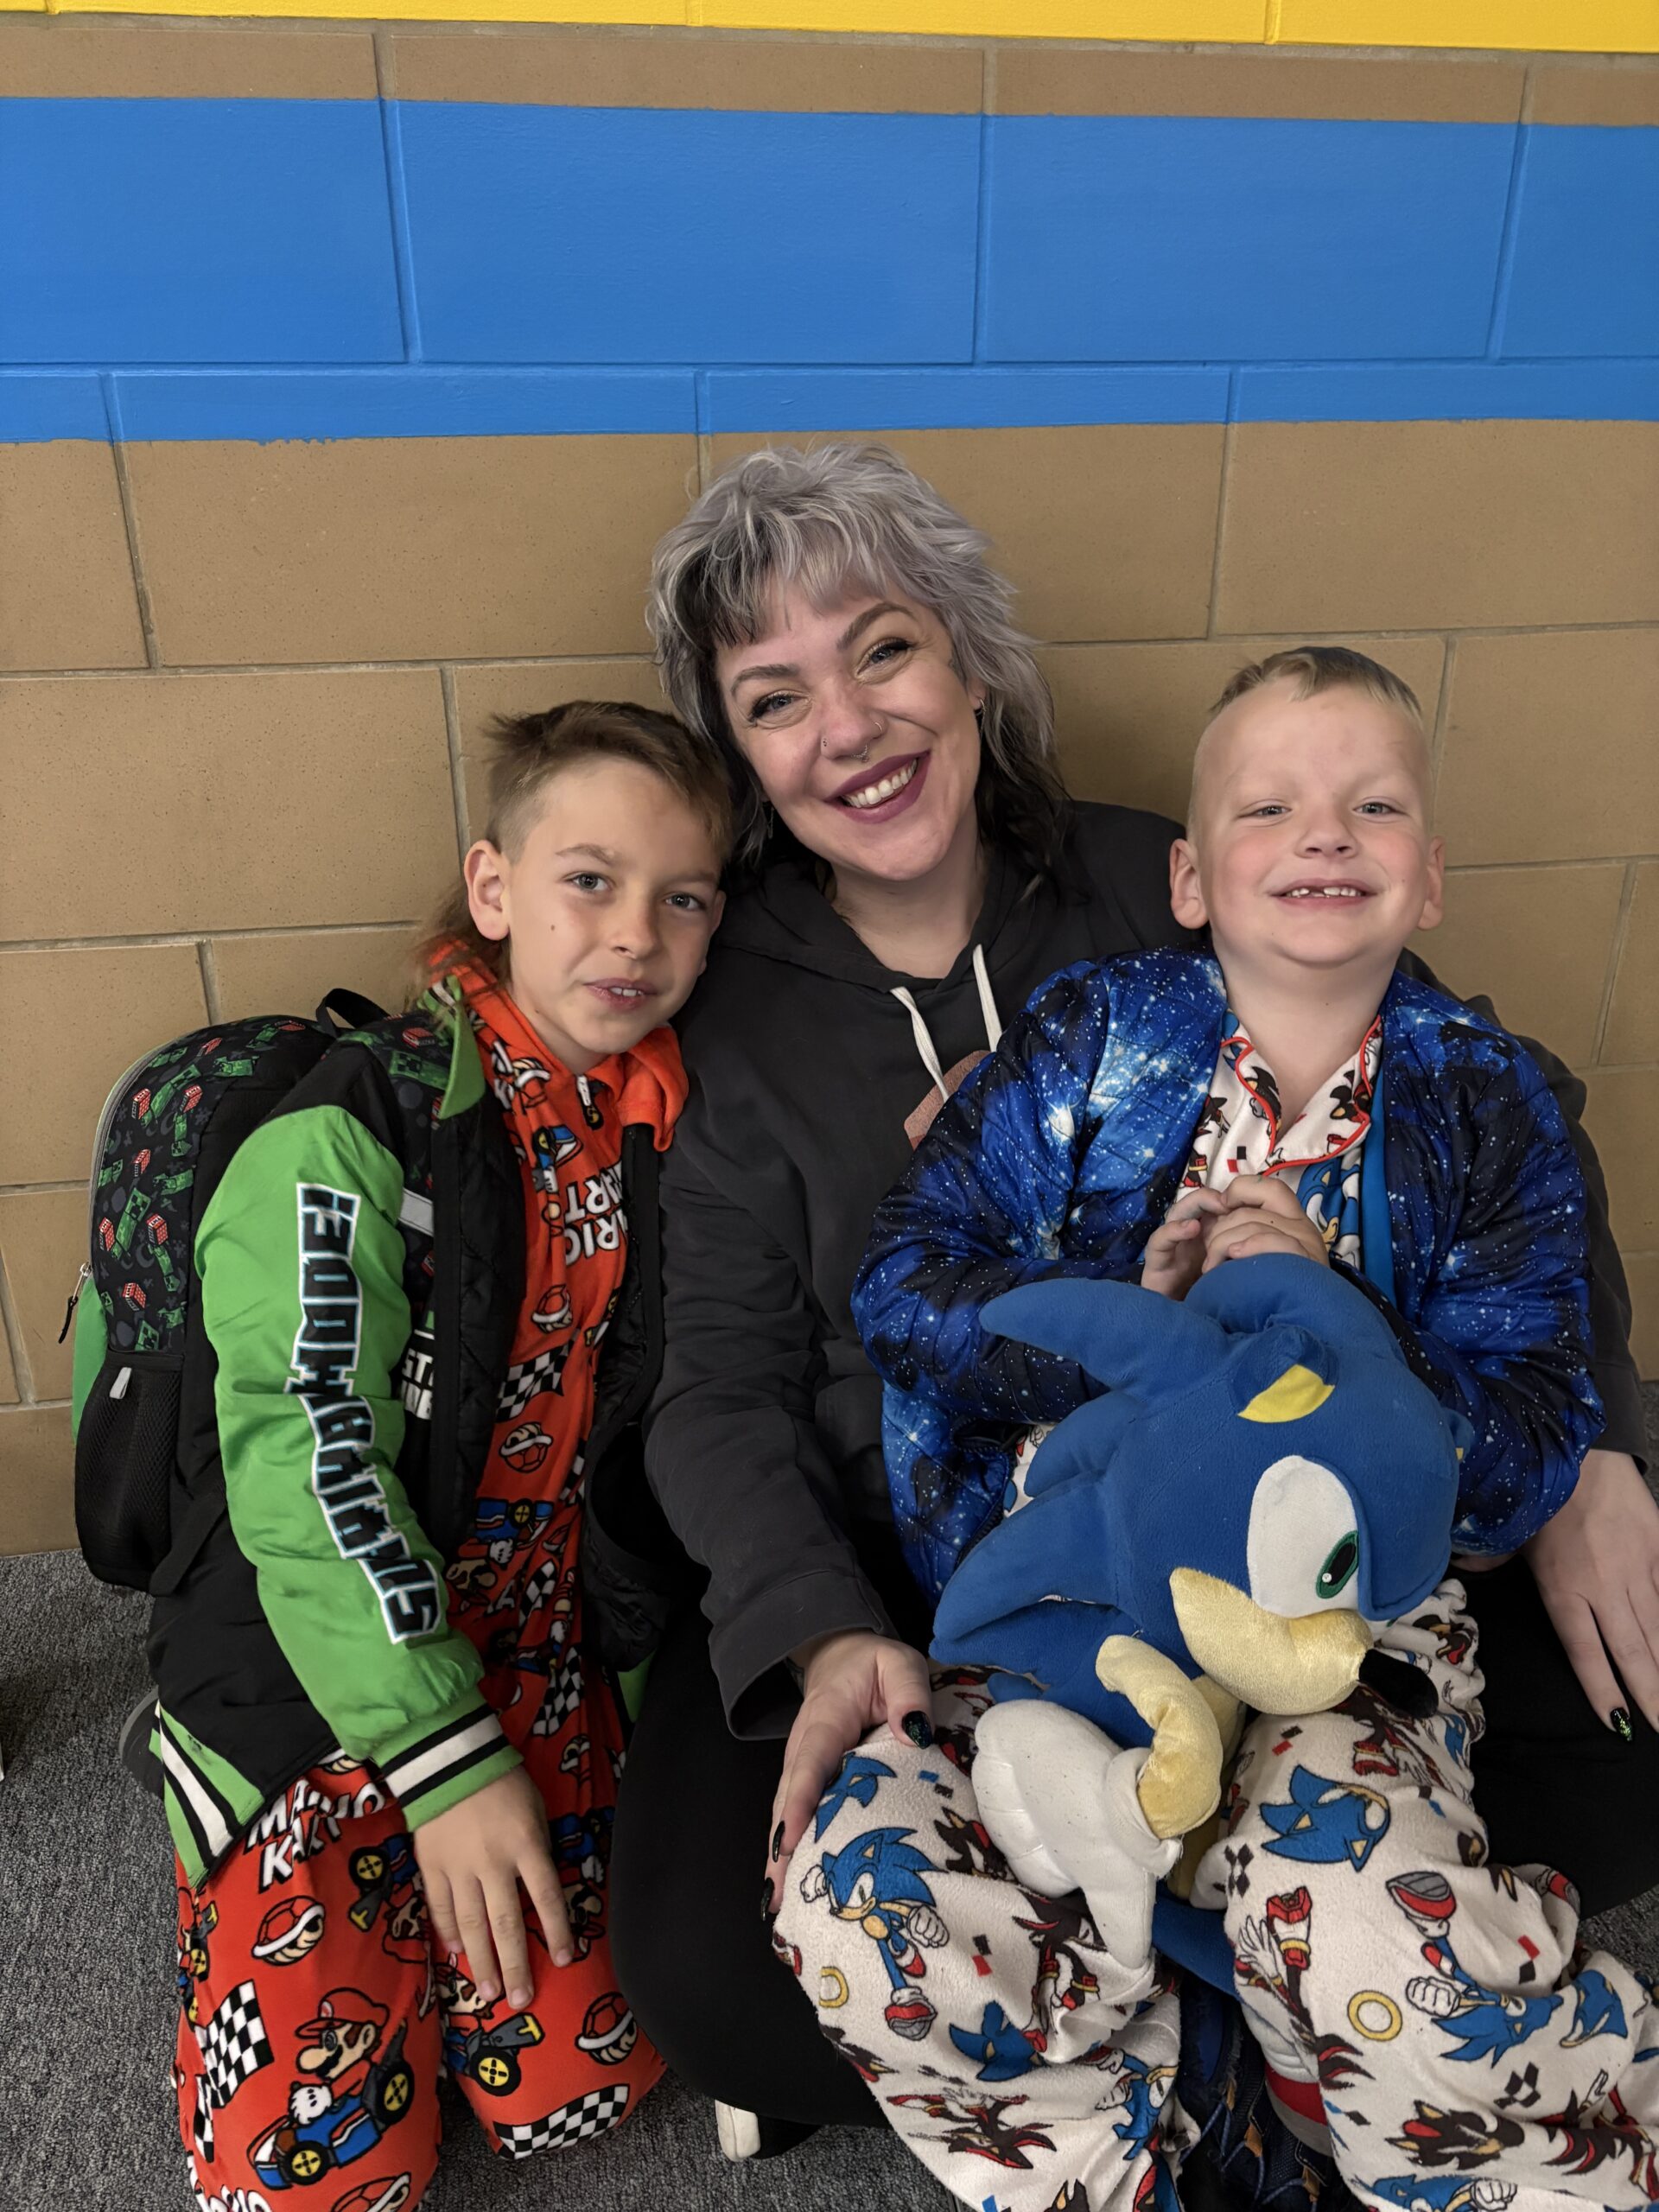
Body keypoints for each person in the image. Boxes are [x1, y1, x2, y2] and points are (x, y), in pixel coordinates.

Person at [608, 443, 1658, 2159]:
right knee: (717, 1968)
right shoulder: (731, 1012)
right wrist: (822, 1626)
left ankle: (1281, 1981)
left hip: (1298, 1528)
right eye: (775, 697)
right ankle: (1241, 2046)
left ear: (969, 663)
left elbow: (1491, 1116)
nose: (849, 725)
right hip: (958, 1551)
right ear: (740, 752)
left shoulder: (1169, 869)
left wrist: (1598, 1442)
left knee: (1619, 1723)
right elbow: (718, 1385)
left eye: (885, 649)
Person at [832, 649, 1656, 2209]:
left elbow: (1532, 1437)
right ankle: (1160, 2147)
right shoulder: (1092, 1034)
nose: (1324, 833)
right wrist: (1121, 1329)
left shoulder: (1490, 1103)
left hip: (1345, 1636)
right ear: (1193, 879)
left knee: (1381, 1940)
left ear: (1430, 878)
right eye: (1270, 806)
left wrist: (1339, 1324)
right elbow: (903, 1281)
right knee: (860, 1905)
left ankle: (1463, 2126)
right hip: (1067, 1609)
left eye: (1373, 807)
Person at [149, 702, 728, 2205]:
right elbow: (307, 1454)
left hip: (546, 1649)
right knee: (310, 2185)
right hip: (327, 1665)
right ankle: (301, 1879)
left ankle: (450, 1907)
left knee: (582, 2085)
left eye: (683, 897)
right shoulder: (355, 1130)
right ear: (493, 888)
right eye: (588, 881)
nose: (636, 934)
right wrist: (443, 1764)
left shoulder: (675, 1124)